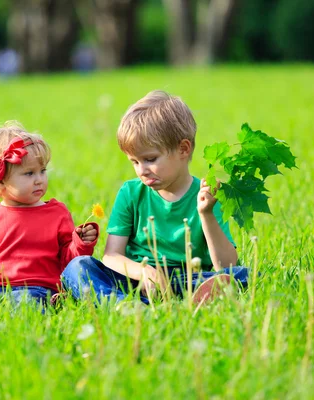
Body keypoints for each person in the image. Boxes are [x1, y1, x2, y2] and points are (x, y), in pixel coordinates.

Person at [61, 90, 249, 305]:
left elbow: (226, 266)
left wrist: (206, 214)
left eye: (150, 159)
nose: (142, 170)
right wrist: (146, 272)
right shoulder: (131, 192)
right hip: (136, 279)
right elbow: (112, 256)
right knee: (77, 267)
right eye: (134, 162)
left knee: (243, 275)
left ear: (183, 149)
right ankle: (125, 306)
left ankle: (191, 298)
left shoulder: (206, 195)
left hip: (186, 279)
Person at [0, 121, 99, 309]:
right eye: (29, 173)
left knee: (25, 302)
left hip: (37, 289)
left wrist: (80, 243)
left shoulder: (57, 213)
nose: (39, 179)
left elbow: (69, 261)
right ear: (0, 181)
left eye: (42, 171)